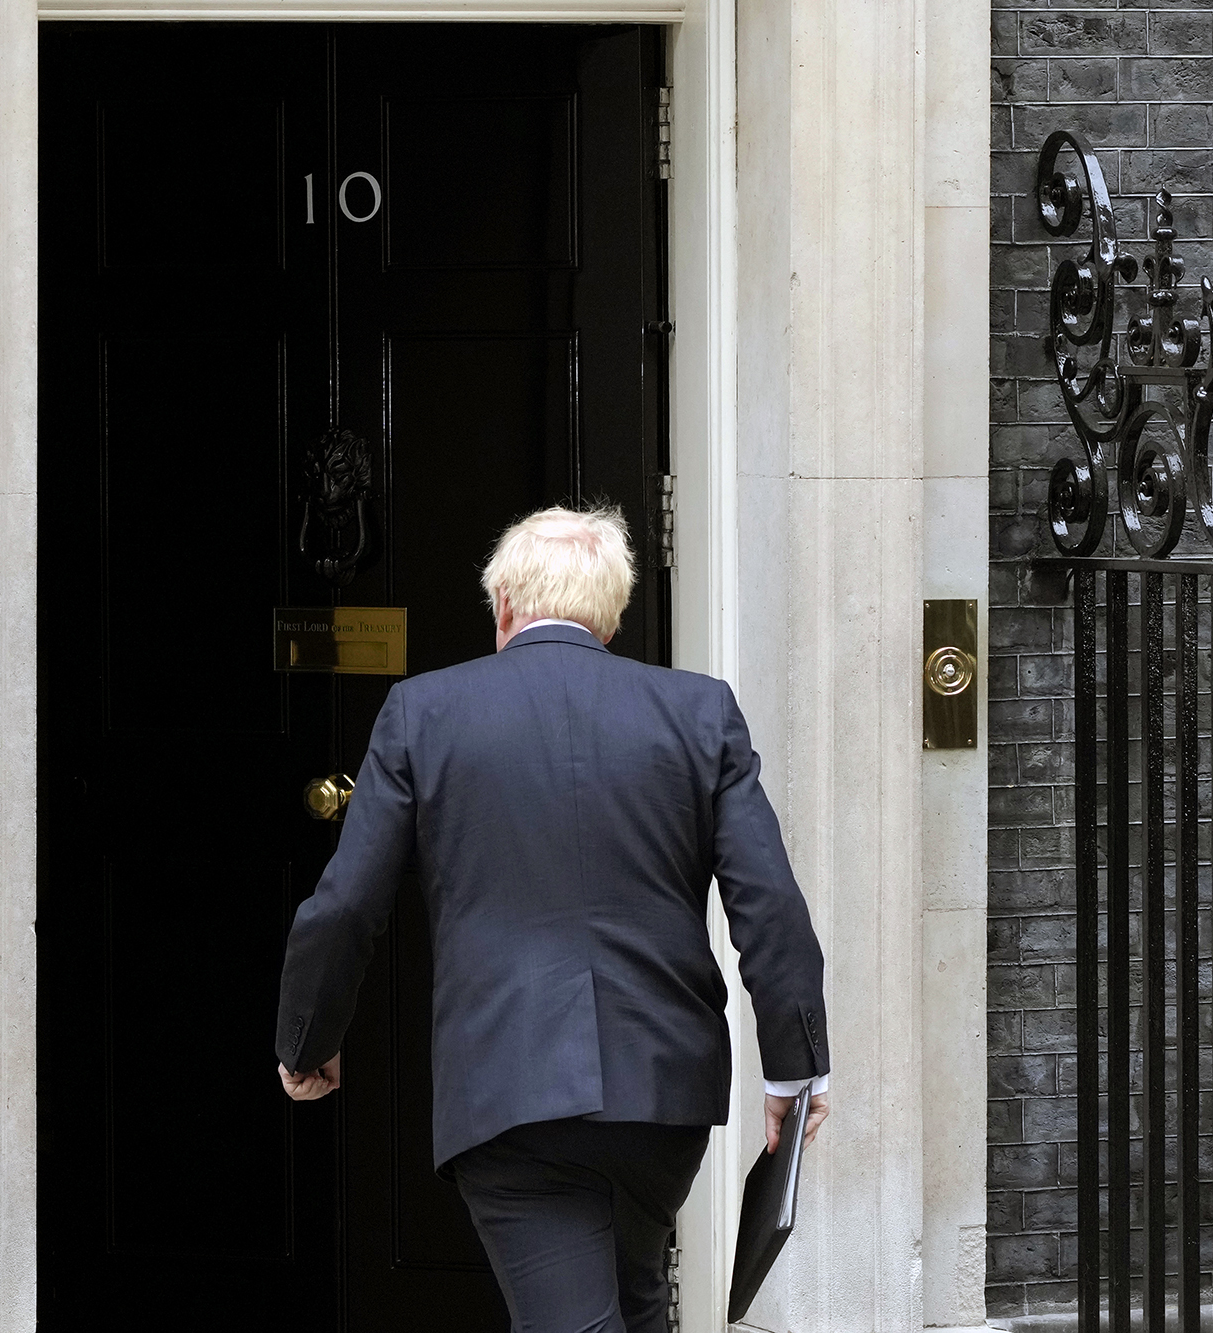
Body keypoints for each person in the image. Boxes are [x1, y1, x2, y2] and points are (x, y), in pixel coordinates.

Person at [274, 504, 831, 1333]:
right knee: (634, 1299)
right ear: (611, 614)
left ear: (503, 605)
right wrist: (793, 1067)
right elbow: (771, 904)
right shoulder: (699, 711)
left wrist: (307, 1037)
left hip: (511, 1090)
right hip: (662, 1096)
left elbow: (348, 902)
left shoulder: (423, 712)